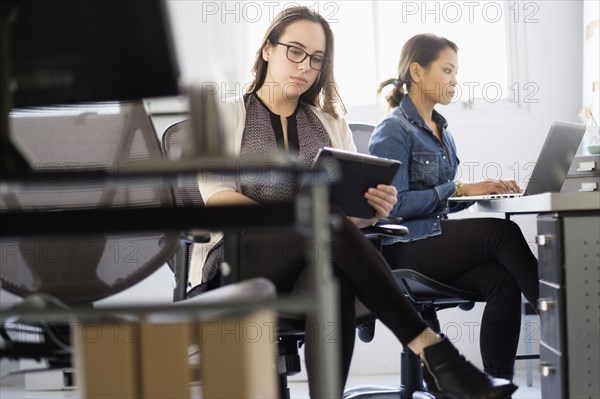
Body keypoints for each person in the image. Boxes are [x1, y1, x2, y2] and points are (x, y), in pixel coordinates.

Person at [193, 8, 517, 398]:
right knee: (326, 225)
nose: (305, 66)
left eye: (316, 59)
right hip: (240, 260)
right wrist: (310, 217)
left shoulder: (331, 125)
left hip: (315, 260)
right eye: (295, 51)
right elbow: (219, 198)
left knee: (331, 280)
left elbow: (351, 220)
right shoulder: (226, 116)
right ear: (267, 50)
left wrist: (373, 211)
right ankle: (432, 351)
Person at [369, 33, 539, 382]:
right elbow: (394, 206)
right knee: (501, 232)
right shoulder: (393, 130)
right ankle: (564, 319)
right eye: (447, 70)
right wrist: (460, 187)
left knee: (502, 281)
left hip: (434, 244)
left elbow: (441, 208)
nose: (454, 81)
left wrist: (481, 193)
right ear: (417, 72)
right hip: (404, 249)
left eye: (456, 72)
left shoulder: (442, 131)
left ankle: (496, 383)